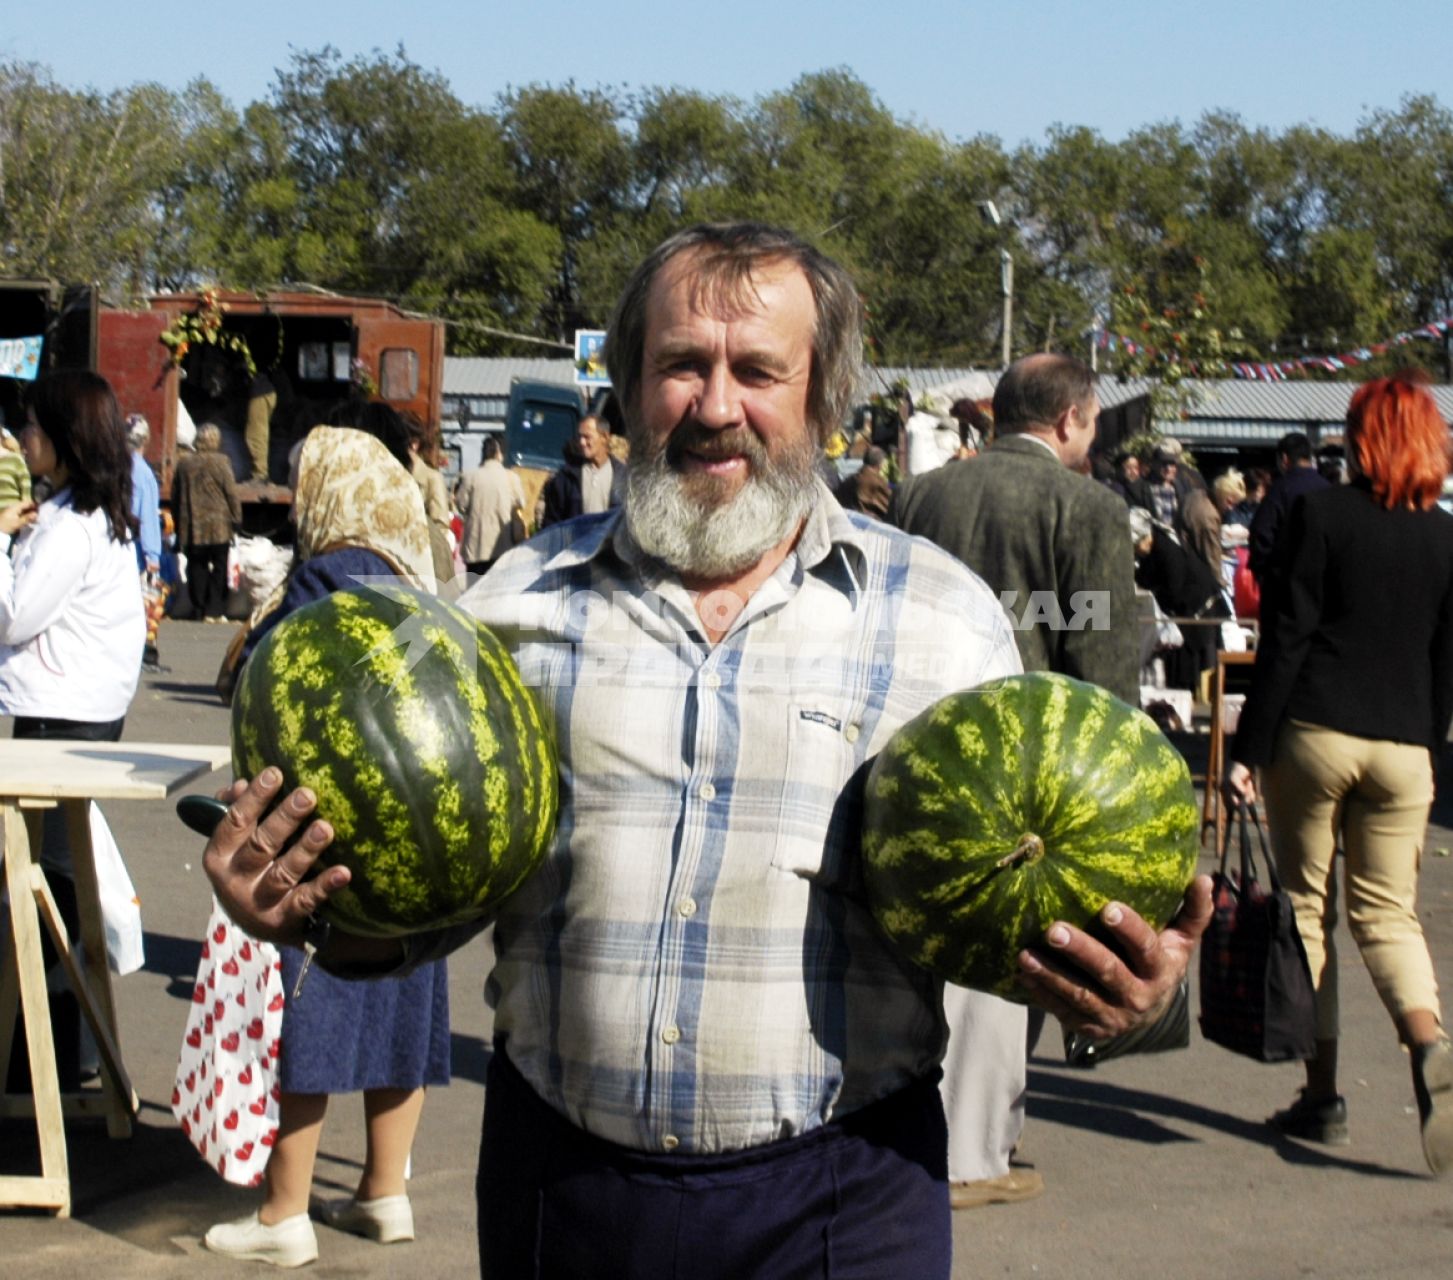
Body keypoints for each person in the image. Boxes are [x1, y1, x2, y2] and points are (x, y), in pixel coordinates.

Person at [200, 221, 1211, 1279]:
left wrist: (1137, 1001)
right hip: (564, 1189)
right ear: (629, 390)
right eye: (681, 365)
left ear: (822, 397)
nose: (715, 405)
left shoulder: (943, 625)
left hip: (846, 1194)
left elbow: (1050, 912)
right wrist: (310, 917)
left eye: (757, 370)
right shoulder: (508, 610)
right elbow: (421, 913)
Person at [890, 352, 1140, 1208]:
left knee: (921, 953)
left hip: (921, 757)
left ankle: (925, 1132)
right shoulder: (1089, 507)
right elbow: (1101, 666)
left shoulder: (922, 495)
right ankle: (973, 1156)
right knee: (1004, 973)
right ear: (1069, 419)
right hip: (1033, 780)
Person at [202, 424, 450, 1267]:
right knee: (401, 1016)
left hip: (318, 854)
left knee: (310, 1018)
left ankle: (284, 1214)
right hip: (421, 857)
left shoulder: (319, 583)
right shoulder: (422, 593)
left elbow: (271, 697)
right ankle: (385, 1193)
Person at [1226, 374, 1453, 1175]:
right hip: (1404, 749)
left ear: (1359, 438)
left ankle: (1321, 1097)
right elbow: (1443, 660)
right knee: (1390, 916)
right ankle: (1428, 1045)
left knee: (1305, 913)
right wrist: (1429, 749)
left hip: (1316, 733)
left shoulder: (1320, 514)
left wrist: (1247, 751)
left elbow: (1286, 637)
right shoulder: (1444, 536)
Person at [0, 370, 143, 1089]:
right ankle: (55, 1054)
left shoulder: (71, 526)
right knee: (51, 887)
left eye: (30, 426)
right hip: (79, 714)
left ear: (59, 439)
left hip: (60, 722)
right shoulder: (90, 515)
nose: (22, 438)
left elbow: (12, 617)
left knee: (42, 892)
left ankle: (46, 1059)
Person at [172, 423, 241, 622]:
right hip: (219, 526)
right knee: (219, 567)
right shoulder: (222, 462)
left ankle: (199, 608)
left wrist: (178, 523)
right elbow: (231, 493)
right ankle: (214, 610)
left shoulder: (184, 464)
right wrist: (237, 518)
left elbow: (176, 496)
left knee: (197, 567)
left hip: (194, 527)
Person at [1247, 431, 1329, 587]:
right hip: (1323, 581)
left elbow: (1261, 532)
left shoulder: (1280, 490)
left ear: (1284, 459)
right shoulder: (1327, 489)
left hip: (1286, 583)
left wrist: (1264, 572)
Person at [453, 435, 526, 574]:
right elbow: (521, 503)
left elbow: (461, 505)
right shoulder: (511, 477)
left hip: (475, 546)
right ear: (499, 454)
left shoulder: (470, 477)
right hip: (503, 545)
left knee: (475, 589)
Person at [538, 414, 627, 528]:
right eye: (579, 437)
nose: (582, 442)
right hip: (575, 544)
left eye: (587, 437)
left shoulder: (623, 476)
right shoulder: (566, 477)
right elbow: (552, 523)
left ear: (604, 437)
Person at [125, 415, 164, 669]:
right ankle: (139, 655)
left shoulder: (115, 467)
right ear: (146, 440)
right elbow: (148, 516)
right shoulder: (144, 473)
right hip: (138, 548)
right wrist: (153, 556)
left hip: (117, 541)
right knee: (141, 605)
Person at [405, 416, 455, 589]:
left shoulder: (431, 478)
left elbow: (441, 526)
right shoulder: (390, 472)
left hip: (422, 564)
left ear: (414, 444)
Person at [833, 442, 892, 518]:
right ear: (880, 464)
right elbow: (892, 505)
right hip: (869, 524)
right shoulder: (877, 482)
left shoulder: (849, 480)